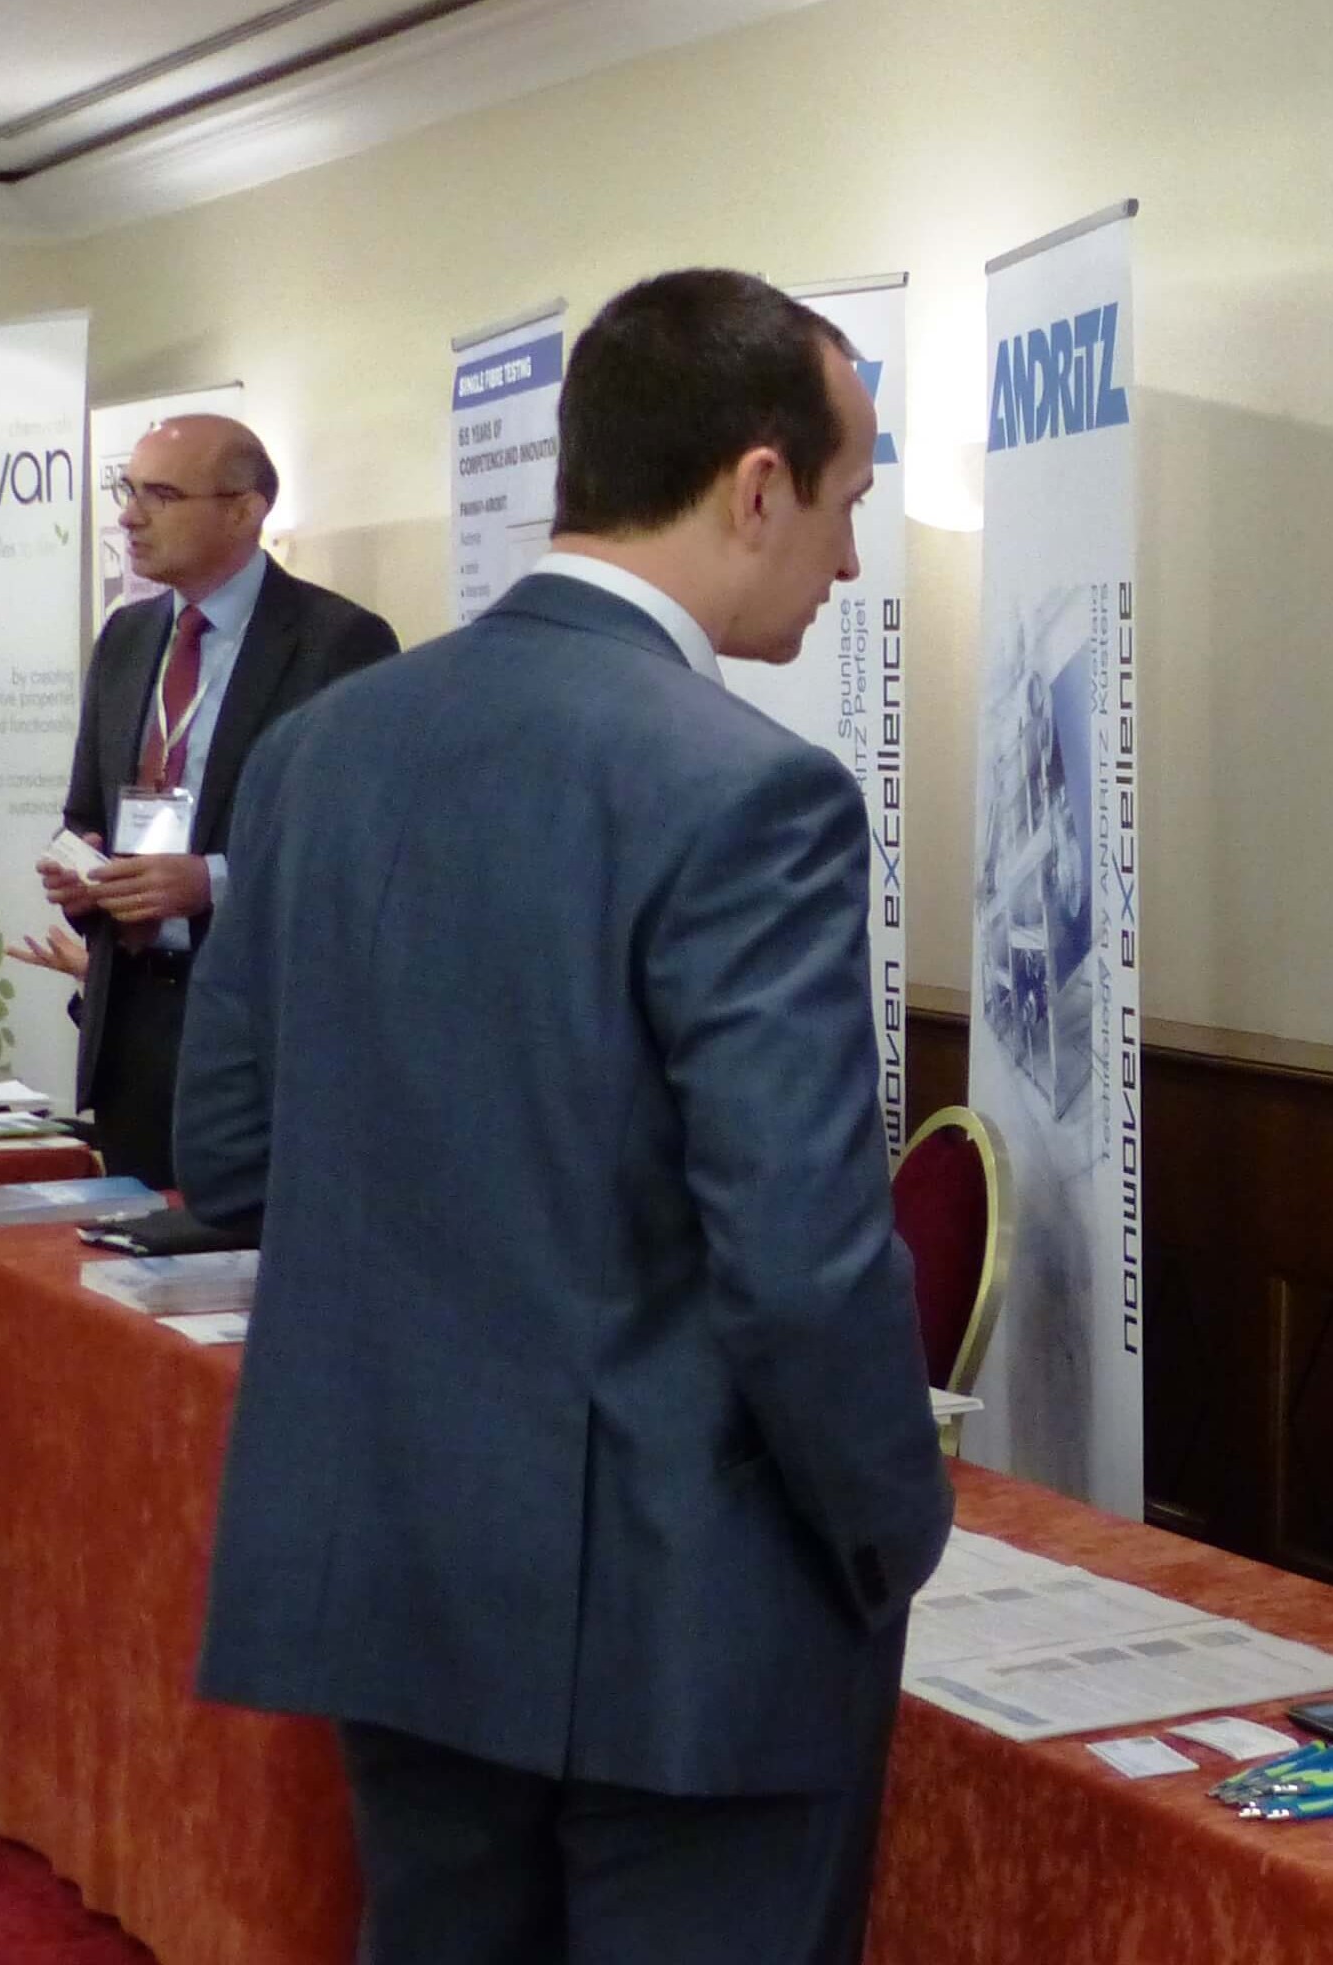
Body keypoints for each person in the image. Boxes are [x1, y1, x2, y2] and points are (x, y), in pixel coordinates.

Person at [173, 270, 950, 1965]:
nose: (845, 562)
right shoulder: (753, 792)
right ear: (758, 485)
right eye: (846, 505)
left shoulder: (320, 749)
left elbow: (224, 1151)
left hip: (391, 1560)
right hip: (685, 1610)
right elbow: (800, 1262)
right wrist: (894, 1529)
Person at [38, 415, 396, 1187]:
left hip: (255, 1032)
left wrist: (213, 882)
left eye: (161, 495)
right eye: (128, 490)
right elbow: (84, 812)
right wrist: (83, 872)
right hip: (131, 1027)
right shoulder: (126, 638)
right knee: (123, 1253)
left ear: (244, 509)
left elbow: (362, 852)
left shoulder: (338, 643)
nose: (129, 516)